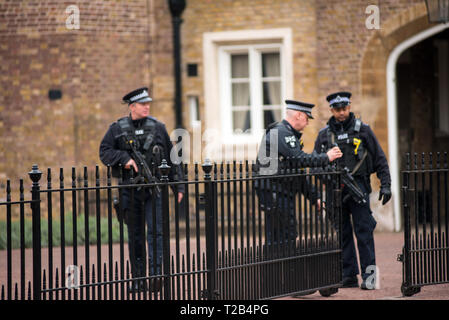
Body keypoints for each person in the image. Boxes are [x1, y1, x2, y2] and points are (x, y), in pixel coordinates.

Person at [99, 87, 184, 292]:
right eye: (143, 104)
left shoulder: (158, 127)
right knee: (135, 235)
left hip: (154, 190)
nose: (147, 106)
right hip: (129, 189)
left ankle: (156, 277)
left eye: (148, 103)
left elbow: (172, 159)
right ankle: (138, 280)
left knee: (156, 233)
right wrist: (124, 159)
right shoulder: (116, 129)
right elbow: (104, 151)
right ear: (132, 107)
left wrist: (178, 184)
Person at [313, 91, 391, 290]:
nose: (341, 112)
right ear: (331, 109)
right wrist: (327, 179)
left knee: (364, 233)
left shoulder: (363, 130)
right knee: (343, 234)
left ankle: (370, 277)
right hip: (334, 192)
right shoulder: (324, 135)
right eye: (337, 109)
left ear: (349, 107)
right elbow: (315, 164)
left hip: (359, 188)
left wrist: (386, 184)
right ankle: (348, 275)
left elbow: (379, 158)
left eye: (344, 108)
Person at [256, 99, 342, 246]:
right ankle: (277, 267)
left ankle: (278, 266)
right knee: (282, 236)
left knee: (284, 235)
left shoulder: (288, 133)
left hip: (280, 190)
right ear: (299, 115)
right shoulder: (281, 132)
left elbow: (297, 171)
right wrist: (326, 157)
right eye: (307, 118)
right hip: (275, 191)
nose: (308, 123)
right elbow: (299, 159)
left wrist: (314, 197)